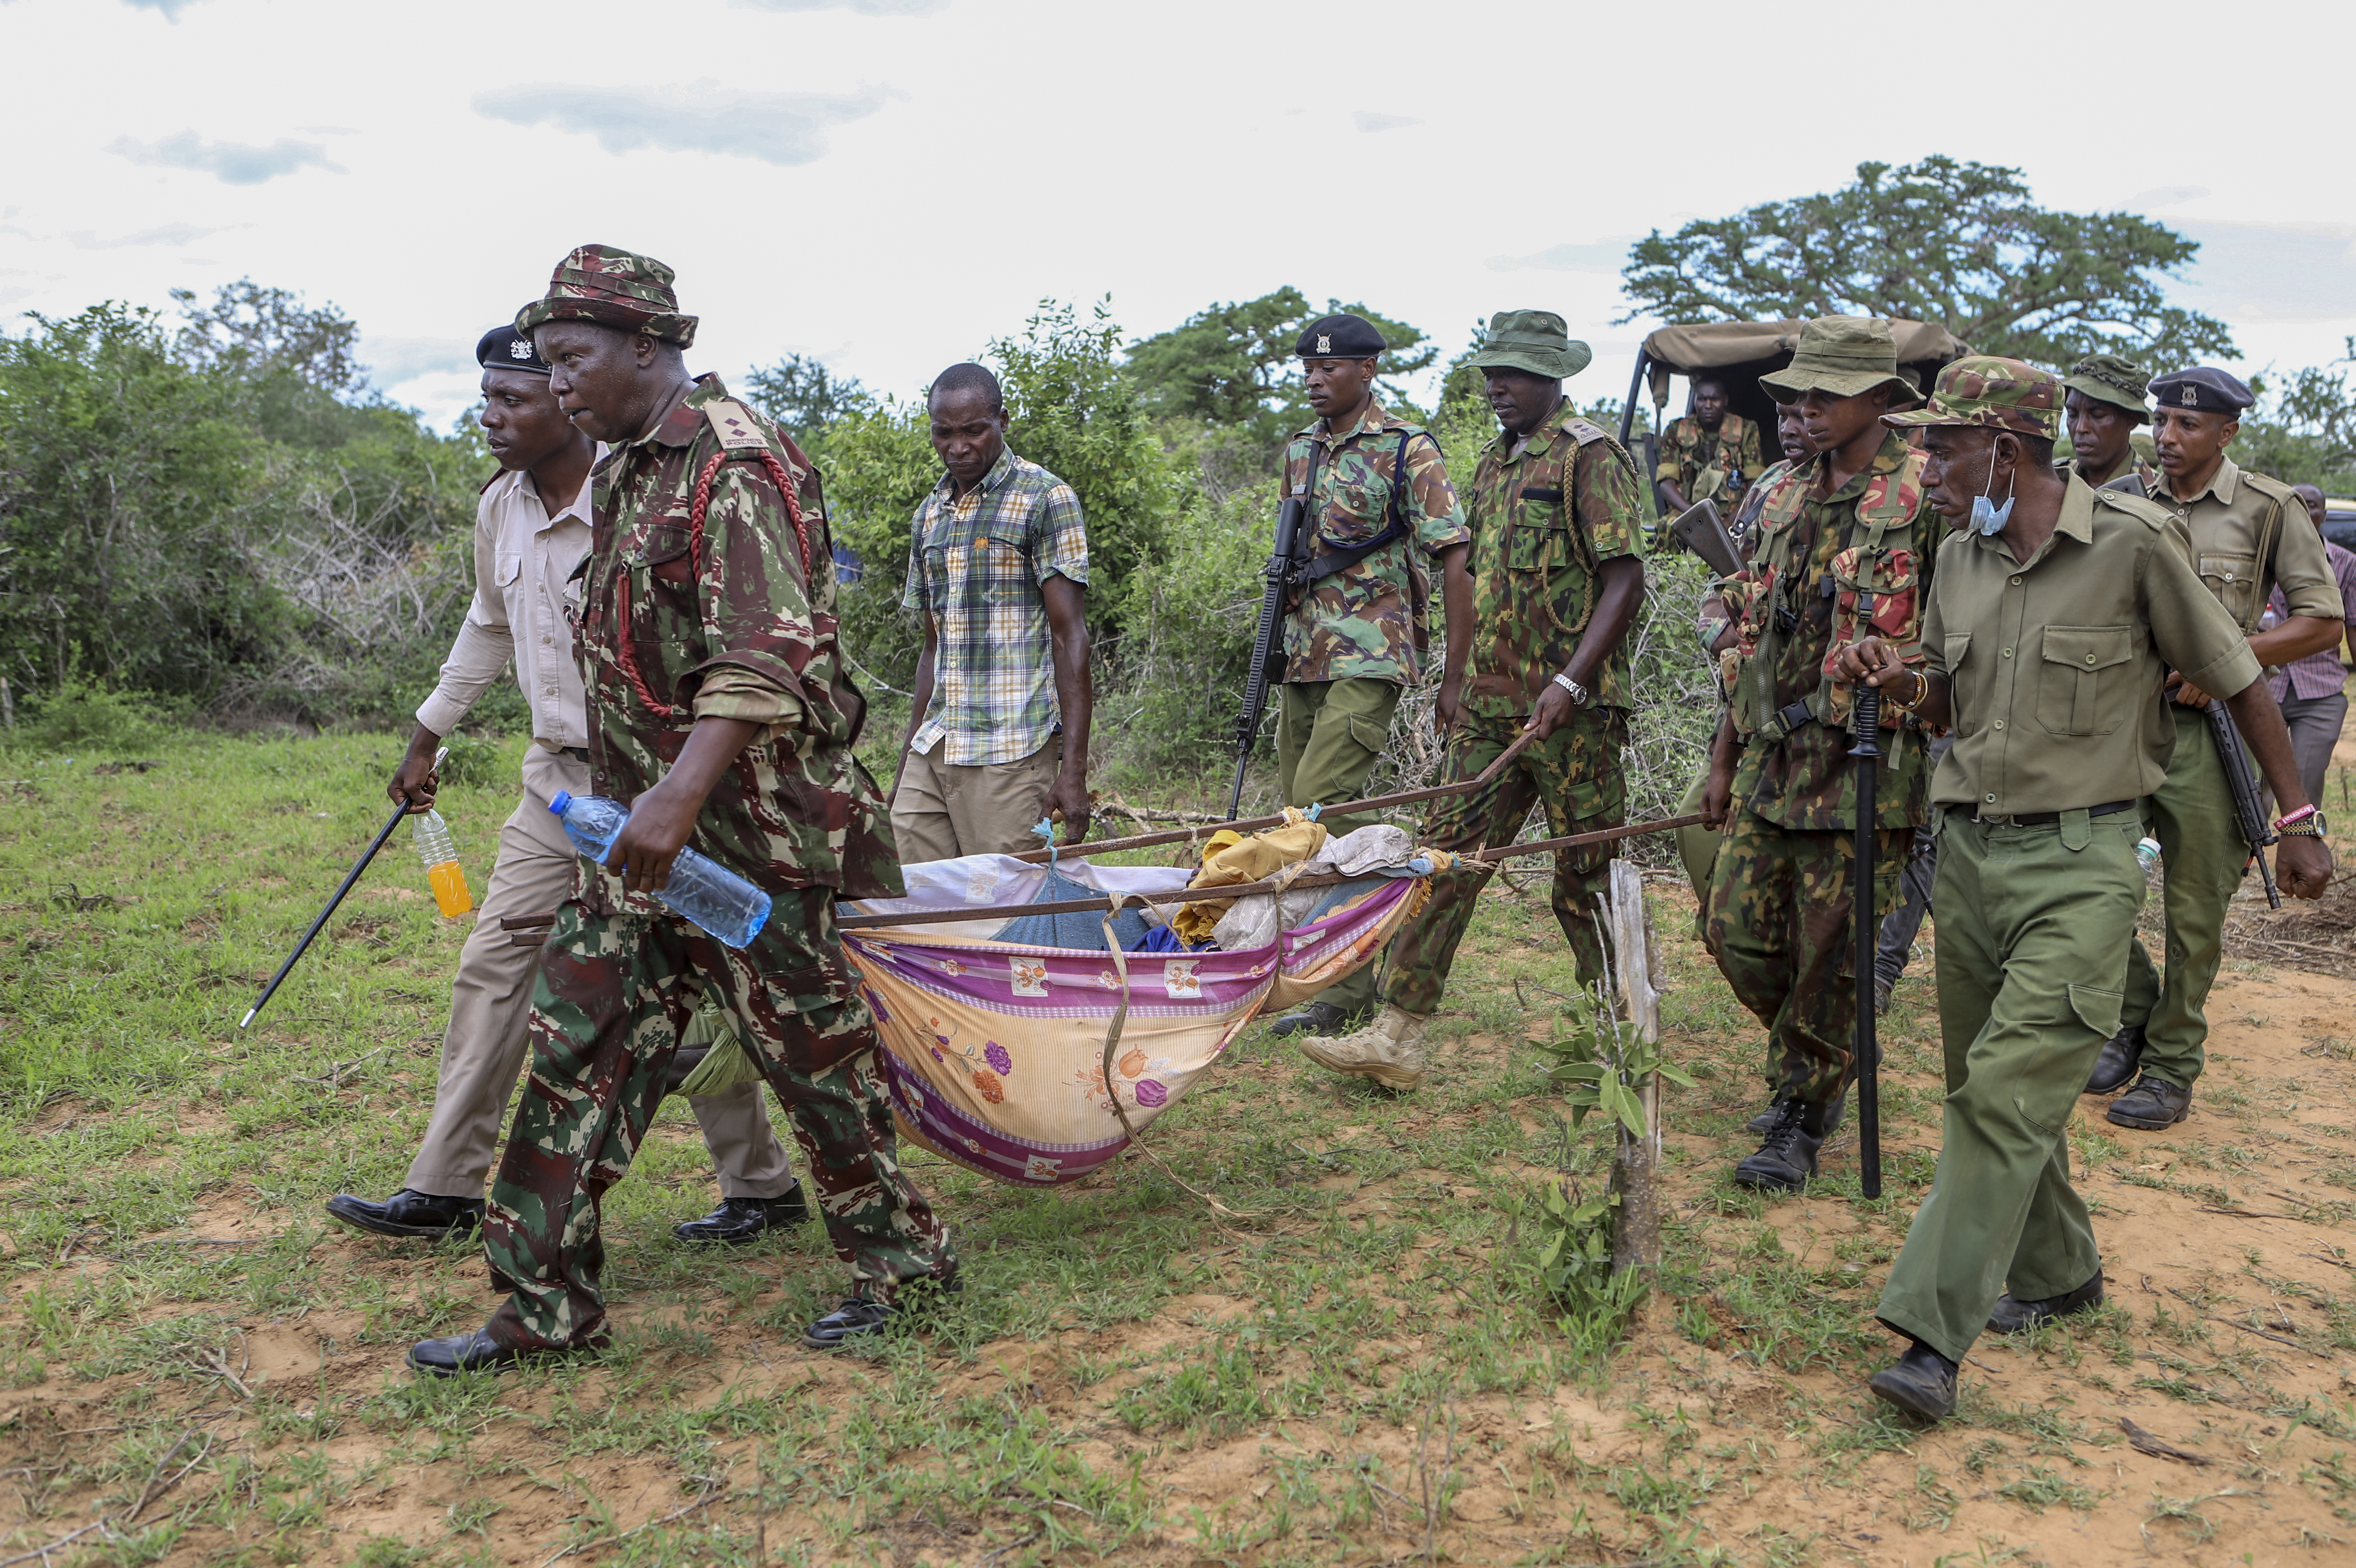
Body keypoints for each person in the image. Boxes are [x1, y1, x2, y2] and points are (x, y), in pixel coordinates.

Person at [406, 247, 954, 1376]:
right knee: (577, 1043)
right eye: (548, 364)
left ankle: (903, 1266)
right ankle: (540, 1307)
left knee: (816, 1063)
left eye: (572, 361)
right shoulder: (623, 473)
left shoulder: (733, 465)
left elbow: (766, 657)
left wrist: (673, 798)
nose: (558, 386)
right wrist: (630, 809)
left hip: (756, 840)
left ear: (645, 349)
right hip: (640, 840)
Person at [1833, 357, 2331, 1422]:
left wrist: (2296, 822)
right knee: (1996, 1091)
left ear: (2003, 450)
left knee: (2003, 1095)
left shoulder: (2132, 546)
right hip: (1967, 860)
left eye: (1942, 448)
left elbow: (2239, 676)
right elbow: (1941, 696)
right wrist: (1898, 678)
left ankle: (1929, 1335)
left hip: (2080, 865)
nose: (1926, 470)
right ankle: (2060, 1273)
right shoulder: (1957, 556)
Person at [324, 326, 809, 1252]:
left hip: (664, 783)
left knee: (696, 978)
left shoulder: (643, 492)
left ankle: (760, 1185)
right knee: (496, 963)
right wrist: (428, 735)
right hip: (554, 785)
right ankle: (445, 1185)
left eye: (512, 398)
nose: (491, 416)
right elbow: (485, 623)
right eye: (487, 398)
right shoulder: (500, 507)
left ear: (561, 394)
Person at [1302, 311, 1644, 1089]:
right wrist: (1453, 680)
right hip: (1492, 707)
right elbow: (1473, 581)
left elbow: (1624, 578)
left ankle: (1617, 1040)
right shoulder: (1490, 464)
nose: (1499, 385)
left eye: (1516, 373)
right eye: (1492, 371)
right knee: (1444, 863)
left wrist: (1570, 681)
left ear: (1554, 377)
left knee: (1584, 875)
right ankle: (1396, 1034)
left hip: (1573, 713)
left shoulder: (1589, 459)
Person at [1700, 318, 1941, 1190]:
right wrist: (1722, 758)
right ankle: (1824, 1053)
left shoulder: (1924, 494)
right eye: (1796, 392)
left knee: (1833, 948)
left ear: (1879, 399)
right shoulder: (1774, 490)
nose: (1801, 407)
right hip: (1773, 754)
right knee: (1734, 931)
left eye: (1821, 392)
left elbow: (1956, 637)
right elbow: (1746, 628)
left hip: (1867, 762)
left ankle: (1801, 1114)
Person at [2086, 368, 2345, 1127]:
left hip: (2210, 731)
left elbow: (2320, 622)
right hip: (2116, 725)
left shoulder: (2265, 509)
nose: (2166, 436)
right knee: (2086, 877)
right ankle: (2133, 1011)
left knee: (2194, 913)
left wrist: (2230, 654)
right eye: (2159, 420)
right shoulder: (2117, 500)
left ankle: (2169, 1064)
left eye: (2185, 425)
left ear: (2225, 432)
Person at [1263, 313, 1472, 1040]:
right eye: (1308, 370)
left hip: (1372, 650)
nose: (1317, 380)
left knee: (1319, 801)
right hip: (1304, 652)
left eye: (1332, 368)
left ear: (1368, 370)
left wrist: (1453, 672)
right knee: (1302, 813)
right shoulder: (1299, 450)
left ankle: (1366, 949)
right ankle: (1340, 971)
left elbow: (1454, 555)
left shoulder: (1406, 449)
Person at [890, 363, 1093, 860]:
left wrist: (1073, 773)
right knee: (910, 898)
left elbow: (1071, 639)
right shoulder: (929, 513)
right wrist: (904, 763)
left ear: (1002, 420)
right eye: (944, 433)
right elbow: (932, 647)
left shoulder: (1044, 498)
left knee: (1006, 911)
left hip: (1011, 748)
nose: (957, 447)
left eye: (973, 431)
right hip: (936, 744)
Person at [1676, 404, 1818, 928]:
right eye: (1782, 416)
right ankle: (1727, 927)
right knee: (1698, 817)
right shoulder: (1772, 486)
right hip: (1753, 705)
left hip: (1826, 719)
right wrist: (1729, 632)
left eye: (1806, 417)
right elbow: (1725, 586)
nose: (1791, 428)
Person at [2260, 484, 2356, 815]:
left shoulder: (2345, 564)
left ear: (2324, 516)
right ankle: (2243, 861)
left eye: (2311, 506)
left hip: (2320, 693)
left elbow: (2353, 630)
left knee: (2303, 792)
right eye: (2296, 505)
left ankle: (2297, 857)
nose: (2304, 511)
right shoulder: (2257, 558)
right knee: (2249, 789)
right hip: (2260, 688)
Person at [1656, 376, 1763, 521]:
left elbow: (1756, 484)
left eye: (1715, 399)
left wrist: (1732, 520)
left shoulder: (1746, 429)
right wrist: (1696, 515)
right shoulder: (1676, 430)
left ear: (1725, 400)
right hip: (1689, 511)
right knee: (1667, 526)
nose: (1708, 405)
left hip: (1735, 512)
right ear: (1695, 400)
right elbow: (1666, 485)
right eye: (1702, 399)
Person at [2061, 353, 2161, 495]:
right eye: (2073, 414)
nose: (2081, 428)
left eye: (2098, 416)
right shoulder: (2054, 482)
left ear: (2132, 420)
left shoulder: (2156, 494)